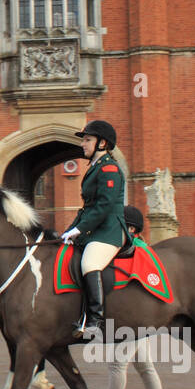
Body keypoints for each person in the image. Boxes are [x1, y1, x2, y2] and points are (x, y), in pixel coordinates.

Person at [77, 207, 171, 389]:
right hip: (137, 318)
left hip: (132, 317)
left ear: (132, 230)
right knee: (145, 366)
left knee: (118, 364)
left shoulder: (133, 250)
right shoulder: (133, 249)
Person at [60, 120, 127, 339]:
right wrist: (69, 231)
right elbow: (87, 208)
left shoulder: (109, 168)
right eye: (84, 140)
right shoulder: (96, 167)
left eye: (88, 140)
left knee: (89, 263)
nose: (83, 144)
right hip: (94, 229)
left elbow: (104, 207)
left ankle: (95, 320)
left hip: (109, 231)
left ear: (102, 143)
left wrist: (80, 229)